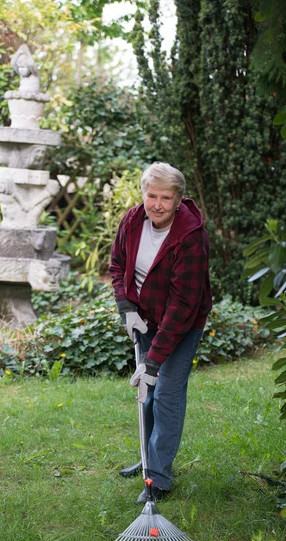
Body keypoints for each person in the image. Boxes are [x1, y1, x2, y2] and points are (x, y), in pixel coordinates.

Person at [109, 162, 212, 503]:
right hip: (144, 318)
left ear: (179, 200)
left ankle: (159, 478)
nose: (157, 204)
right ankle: (148, 459)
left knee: (166, 392)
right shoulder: (133, 219)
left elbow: (183, 306)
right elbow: (117, 265)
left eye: (166, 198)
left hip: (181, 324)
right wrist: (126, 308)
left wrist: (153, 362)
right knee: (147, 395)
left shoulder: (191, 237)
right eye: (151, 195)